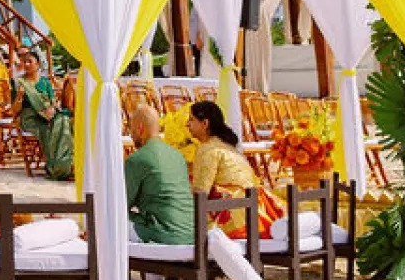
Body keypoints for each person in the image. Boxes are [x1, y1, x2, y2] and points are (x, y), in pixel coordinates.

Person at [186, 100, 284, 237]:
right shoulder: (226, 145)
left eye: (191, 119)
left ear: (205, 124)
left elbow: (200, 193)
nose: (187, 124)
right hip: (255, 210)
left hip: (236, 214)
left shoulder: (207, 149)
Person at [122, 104, 193, 245]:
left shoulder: (137, 159)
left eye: (131, 129)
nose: (130, 134)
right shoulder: (178, 156)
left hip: (162, 235)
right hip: (190, 234)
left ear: (140, 128)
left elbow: (121, 204)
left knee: (109, 223)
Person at [8, 53, 73, 180]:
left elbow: (53, 101)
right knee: (47, 129)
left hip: (48, 115)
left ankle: (65, 165)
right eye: (24, 62)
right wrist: (20, 97)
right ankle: (54, 168)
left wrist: (51, 109)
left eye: (29, 61)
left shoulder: (45, 82)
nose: (26, 64)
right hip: (29, 118)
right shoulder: (18, 82)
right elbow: (14, 111)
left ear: (37, 64)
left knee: (64, 121)